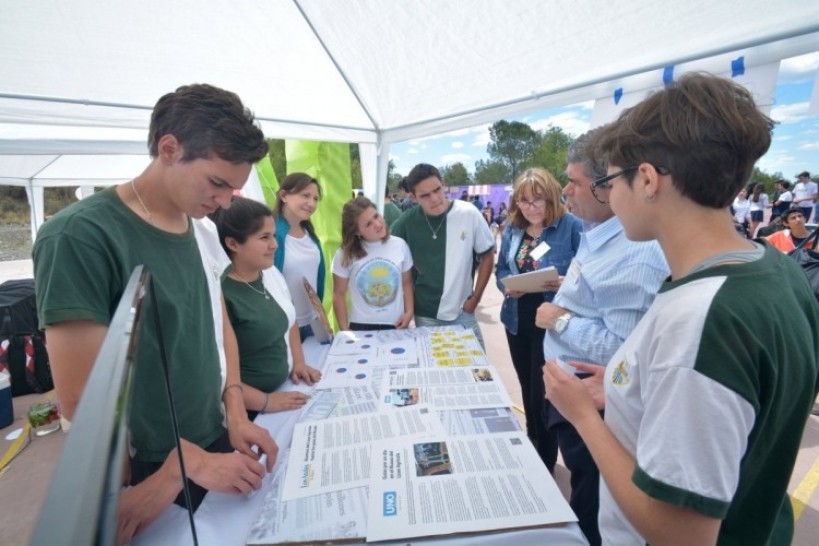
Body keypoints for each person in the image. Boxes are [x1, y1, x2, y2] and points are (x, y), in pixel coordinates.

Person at [543, 73, 819, 546]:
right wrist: (632, 394)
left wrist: (583, 416)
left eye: (611, 181)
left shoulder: (701, 317)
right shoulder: (774, 268)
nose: (609, 197)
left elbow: (680, 533)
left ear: (647, 179)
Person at [32, 84, 278, 543]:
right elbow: (83, 400)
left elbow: (216, 321)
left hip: (214, 439)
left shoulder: (201, 229)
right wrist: (175, 469)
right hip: (147, 469)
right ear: (169, 148)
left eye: (234, 187)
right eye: (217, 183)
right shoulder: (79, 235)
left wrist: (235, 410)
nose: (225, 202)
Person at [534, 129, 668, 546]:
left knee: (595, 510)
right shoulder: (604, 238)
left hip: (595, 403)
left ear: (609, 187)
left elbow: (623, 352)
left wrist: (560, 321)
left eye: (574, 182)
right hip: (577, 396)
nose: (566, 190)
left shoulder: (635, 253)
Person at [495, 168, 581, 473]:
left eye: (537, 200)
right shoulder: (513, 230)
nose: (530, 208)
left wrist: (564, 283)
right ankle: (535, 445)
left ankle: (545, 459)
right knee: (527, 387)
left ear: (552, 198)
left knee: (544, 392)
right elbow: (500, 273)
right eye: (524, 201)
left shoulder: (571, 227)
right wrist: (509, 285)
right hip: (517, 319)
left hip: (552, 321)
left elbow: (587, 272)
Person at [210, 197, 322, 420]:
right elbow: (216, 374)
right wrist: (265, 401)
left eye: (273, 235)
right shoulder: (219, 293)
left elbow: (290, 320)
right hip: (249, 411)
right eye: (264, 237)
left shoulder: (269, 273)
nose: (275, 245)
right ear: (233, 244)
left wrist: (298, 362)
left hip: (283, 390)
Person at [391, 163, 495, 348]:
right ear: (414, 197)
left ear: (443, 184)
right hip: (425, 313)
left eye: (437, 190)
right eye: (425, 195)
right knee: (436, 368)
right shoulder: (406, 222)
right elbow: (386, 251)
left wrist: (476, 298)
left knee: (478, 370)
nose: (435, 199)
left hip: (462, 310)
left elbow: (487, 255)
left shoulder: (469, 213)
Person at [331, 196, 414, 330]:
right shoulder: (345, 254)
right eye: (368, 224)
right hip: (361, 327)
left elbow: (407, 283)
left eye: (376, 216)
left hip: (397, 324)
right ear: (357, 231)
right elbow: (338, 294)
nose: (378, 224)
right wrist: (344, 331)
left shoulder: (400, 245)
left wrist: (409, 312)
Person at [274, 172, 326, 341]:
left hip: (313, 323)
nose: (311, 203)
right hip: (286, 328)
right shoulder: (271, 234)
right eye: (305, 195)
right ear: (284, 196)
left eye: (316, 199)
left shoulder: (310, 235)